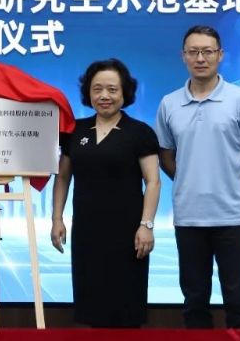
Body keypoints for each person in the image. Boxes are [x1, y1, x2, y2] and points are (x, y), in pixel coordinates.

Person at [155, 25, 240, 329]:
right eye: (193, 52)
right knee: (194, 302)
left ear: (220, 55)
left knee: (239, 302)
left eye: (207, 51)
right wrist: (188, 181)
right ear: (183, 56)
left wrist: (236, 186)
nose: (200, 58)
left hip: (234, 218)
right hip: (189, 218)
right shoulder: (169, 103)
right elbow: (165, 156)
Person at [50, 59, 161, 327]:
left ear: (125, 93)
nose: (104, 96)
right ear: (88, 92)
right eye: (97, 89)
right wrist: (57, 219)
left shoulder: (140, 132)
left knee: (126, 306)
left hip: (129, 232)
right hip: (86, 230)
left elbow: (153, 181)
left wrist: (146, 225)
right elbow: (63, 176)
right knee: (89, 302)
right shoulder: (75, 131)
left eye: (112, 89)